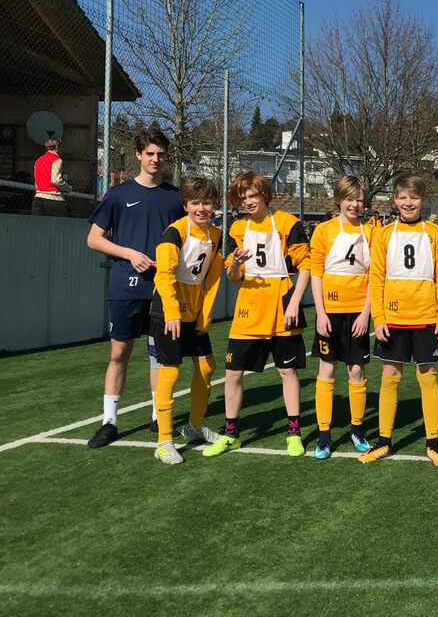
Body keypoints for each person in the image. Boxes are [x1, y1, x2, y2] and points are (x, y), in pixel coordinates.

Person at [86, 129, 184, 448]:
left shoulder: (176, 198)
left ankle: (159, 416)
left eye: (161, 154)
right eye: (150, 153)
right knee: (119, 353)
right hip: (125, 287)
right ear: (139, 155)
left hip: (163, 290)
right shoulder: (117, 194)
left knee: (159, 357)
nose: (156, 159)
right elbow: (94, 239)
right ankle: (109, 422)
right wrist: (130, 253)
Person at [203, 171, 311, 458]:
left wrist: (294, 302)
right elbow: (233, 276)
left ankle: (294, 433)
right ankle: (231, 435)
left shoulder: (288, 223)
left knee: (287, 371)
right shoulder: (237, 228)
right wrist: (234, 264)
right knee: (232, 373)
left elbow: (306, 265)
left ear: (265, 194)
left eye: (253, 195)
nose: (249, 201)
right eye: (243, 197)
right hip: (249, 308)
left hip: (281, 305)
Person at [359, 174, 438, 467]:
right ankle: (384, 441)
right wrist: (379, 317)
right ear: (395, 200)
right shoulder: (384, 233)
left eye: (413, 197)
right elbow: (376, 277)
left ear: (422, 200)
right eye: (402, 197)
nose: (408, 203)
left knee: (428, 377)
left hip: (426, 317)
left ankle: (433, 443)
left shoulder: (435, 233)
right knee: (390, 377)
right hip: (393, 318)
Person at [149, 177, 223, 464]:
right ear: (185, 206)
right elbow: (163, 275)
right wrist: (171, 312)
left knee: (206, 366)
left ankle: (195, 426)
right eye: (195, 203)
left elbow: (213, 279)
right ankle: (164, 441)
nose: (201, 208)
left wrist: (205, 315)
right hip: (168, 311)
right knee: (170, 372)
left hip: (194, 312)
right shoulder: (174, 232)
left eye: (207, 203)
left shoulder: (215, 235)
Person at [309, 176, 375, 459]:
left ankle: (357, 430)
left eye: (359, 199)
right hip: (330, 314)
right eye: (349, 198)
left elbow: (375, 275)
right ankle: (324, 436)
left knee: (356, 371)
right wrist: (320, 313)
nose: (354, 204)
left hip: (358, 313)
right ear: (339, 200)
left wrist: (365, 313)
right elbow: (316, 272)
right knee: (327, 370)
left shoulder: (371, 231)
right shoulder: (324, 230)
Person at [32, 137, 71, 216]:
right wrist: (68, 188)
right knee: (60, 222)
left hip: (38, 198)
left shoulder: (38, 160)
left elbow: (36, 179)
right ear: (56, 147)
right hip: (54, 199)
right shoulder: (57, 160)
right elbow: (56, 180)